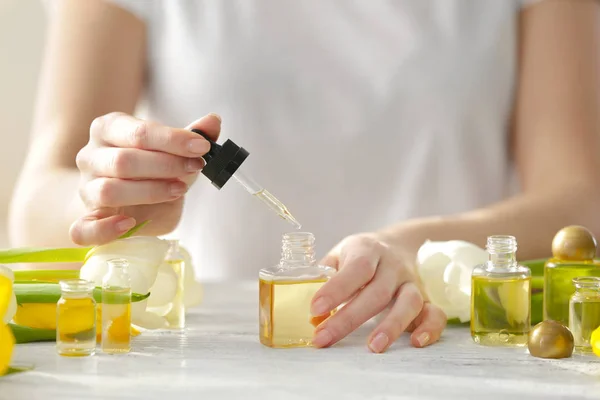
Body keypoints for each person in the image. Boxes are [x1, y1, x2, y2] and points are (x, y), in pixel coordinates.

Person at [9, 0, 600, 353]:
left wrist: (421, 248)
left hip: (443, 351)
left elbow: (578, 200)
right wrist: (110, 201)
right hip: (207, 361)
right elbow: (35, 206)